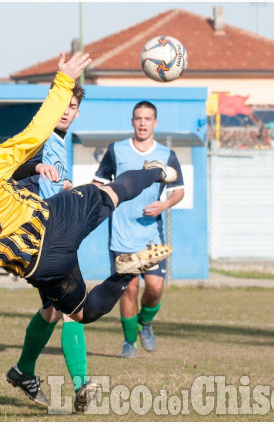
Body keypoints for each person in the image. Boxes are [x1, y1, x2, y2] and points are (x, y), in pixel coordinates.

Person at [0, 49, 173, 381]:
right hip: (54, 218)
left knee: (79, 312)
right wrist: (63, 79)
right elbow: (35, 134)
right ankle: (155, 173)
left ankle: (121, 278)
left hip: (37, 263)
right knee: (111, 192)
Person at [6, 83, 97, 412]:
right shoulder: (38, 139)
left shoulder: (57, 141)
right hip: (42, 241)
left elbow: (51, 186)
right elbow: (11, 172)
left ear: (77, 110)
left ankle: (23, 370)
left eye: (72, 105)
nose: (66, 110)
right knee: (75, 310)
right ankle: (81, 385)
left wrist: (71, 189)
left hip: (49, 239)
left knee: (53, 310)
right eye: (62, 103)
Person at [92, 101, 184, 358]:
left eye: (147, 118)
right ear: (132, 122)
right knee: (129, 289)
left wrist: (164, 204)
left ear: (155, 123)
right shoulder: (116, 150)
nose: (142, 123)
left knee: (154, 288)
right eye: (138, 118)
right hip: (121, 235)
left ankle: (146, 322)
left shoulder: (167, 155)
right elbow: (98, 182)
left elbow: (179, 191)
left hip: (151, 236)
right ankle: (129, 342)